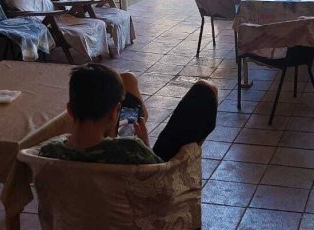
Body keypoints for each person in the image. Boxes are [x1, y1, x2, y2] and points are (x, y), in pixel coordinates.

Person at [39, 63, 218, 164]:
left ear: (69, 110)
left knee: (127, 79)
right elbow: (157, 172)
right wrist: (145, 145)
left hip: (90, 201)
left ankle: (112, 133)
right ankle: (116, 129)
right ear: (114, 113)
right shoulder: (132, 150)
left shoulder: (49, 151)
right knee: (205, 91)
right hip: (148, 190)